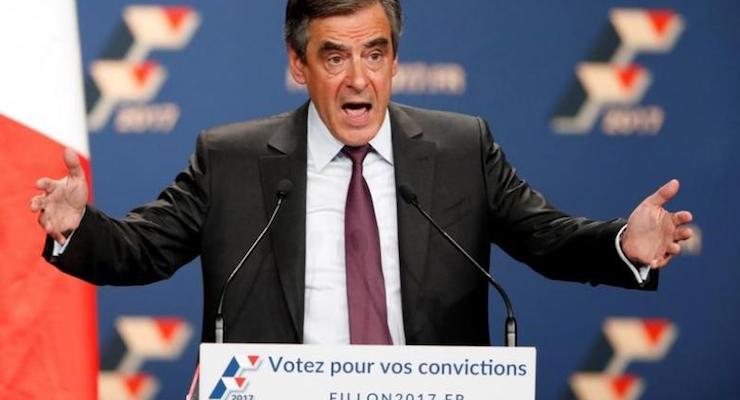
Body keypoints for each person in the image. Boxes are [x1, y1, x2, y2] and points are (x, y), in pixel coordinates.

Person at [30, 0, 693, 346]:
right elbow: (145, 249)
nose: (358, 79)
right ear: (299, 65)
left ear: (395, 60)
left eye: (375, 55)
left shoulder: (462, 148)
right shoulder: (230, 157)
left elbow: (545, 238)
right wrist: (76, 227)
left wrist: (623, 246)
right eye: (336, 56)